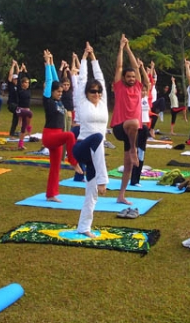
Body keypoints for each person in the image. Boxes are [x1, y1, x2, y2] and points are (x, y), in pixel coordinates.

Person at [72, 42, 108, 236]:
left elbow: (100, 77)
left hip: (96, 154)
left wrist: (94, 57)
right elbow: (82, 79)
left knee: (92, 191)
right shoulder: (81, 102)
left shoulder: (103, 103)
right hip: (82, 148)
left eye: (98, 91)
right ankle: (103, 179)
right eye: (92, 91)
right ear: (86, 93)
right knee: (97, 136)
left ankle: (84, 227)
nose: (96, 94)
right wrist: (84, 58)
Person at [110, 34, 147, 205]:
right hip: (120, 127)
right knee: (134, 122)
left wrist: (129, 48)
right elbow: (119, 66)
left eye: (133, 77)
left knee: (129, 166)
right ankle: (133, 150)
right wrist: (120, 48)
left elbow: (136, 68)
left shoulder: (139, 87)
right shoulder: (119, 87)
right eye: (129, 77)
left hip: (132, 132)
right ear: (124, 78)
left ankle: (121, 195)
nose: (132, 78)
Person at [42, 50, 82, 201]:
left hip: (57, 136)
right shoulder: (48, 100)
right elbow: (49, 79)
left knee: (55, 167)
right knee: (71, 135)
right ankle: (73, 161)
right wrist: (47, 63)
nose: (60, 93)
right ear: (50, 92)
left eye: (60, 91)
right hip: (50, 136)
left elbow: (55, 79)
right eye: (57, 91)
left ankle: (51, 194)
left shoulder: (58, 101)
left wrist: (52, 61)